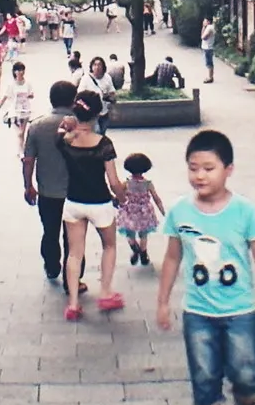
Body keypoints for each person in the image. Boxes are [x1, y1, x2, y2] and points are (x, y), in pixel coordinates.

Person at [154, 128, 255, 405]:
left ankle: (246, 399)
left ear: (229, 169)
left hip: (240, 311)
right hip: (198, 313)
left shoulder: (245, 211)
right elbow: (172, 258)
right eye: (193, 168)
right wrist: (163, 301)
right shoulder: (180, 211)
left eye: (208, 168)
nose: (200, 175)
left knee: (245, 372)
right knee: (204, 373)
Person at [58, 92, 128, 320]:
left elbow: (61, 131)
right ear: (97, 114)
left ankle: (73, 304)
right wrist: (122, 198)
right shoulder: (104, 144)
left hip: (73, 202)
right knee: (109, 246)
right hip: (100, 202)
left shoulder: (65, 140)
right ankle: (106, 292)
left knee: (74, 253)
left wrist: (68, 124)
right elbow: (114, 181)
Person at [22, 80, 79, 287]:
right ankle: (73, 276)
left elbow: (29, 160)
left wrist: (28, 186)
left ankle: (52, 266)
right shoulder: (81, 125)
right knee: (74, 236)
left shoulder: (37, 126)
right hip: (76, 192)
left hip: (48, 191)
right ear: (73, 100)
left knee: (50, 231)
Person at [117, 150, 167, 267]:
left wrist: (119, 202)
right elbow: (156, 198)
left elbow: (119, 195)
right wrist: (163, 212)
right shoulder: (148, 184)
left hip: (130, 211)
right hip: (144, 212)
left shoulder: (126, 183)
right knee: (144, 234)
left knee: (129, 233)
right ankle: (143, 253)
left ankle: (135, 248)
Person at [0, 60, 36, 138]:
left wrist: (29, 95)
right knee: (20, 133)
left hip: (25, 110)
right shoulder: (11, 84)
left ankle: (22, 144)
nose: (21, 72)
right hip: (15, 111)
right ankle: (21, 144)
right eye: (19, 70)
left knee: (22, 133)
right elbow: (5, 96)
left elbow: (32, 95)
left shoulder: (28, 83)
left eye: (22, 70)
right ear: (14, 72)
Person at [200, 16, 217, 83]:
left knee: (209, 63)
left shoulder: (210, 28)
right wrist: (203, 27)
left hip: (208, 48)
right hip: (207, 47)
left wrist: (203, 35)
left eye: (205, 21)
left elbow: (204, 37)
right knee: (208, 62)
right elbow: (202, 36)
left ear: (208, 22)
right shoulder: (207, 27)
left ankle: (210, 77)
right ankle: (210, 76)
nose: (203, 22)